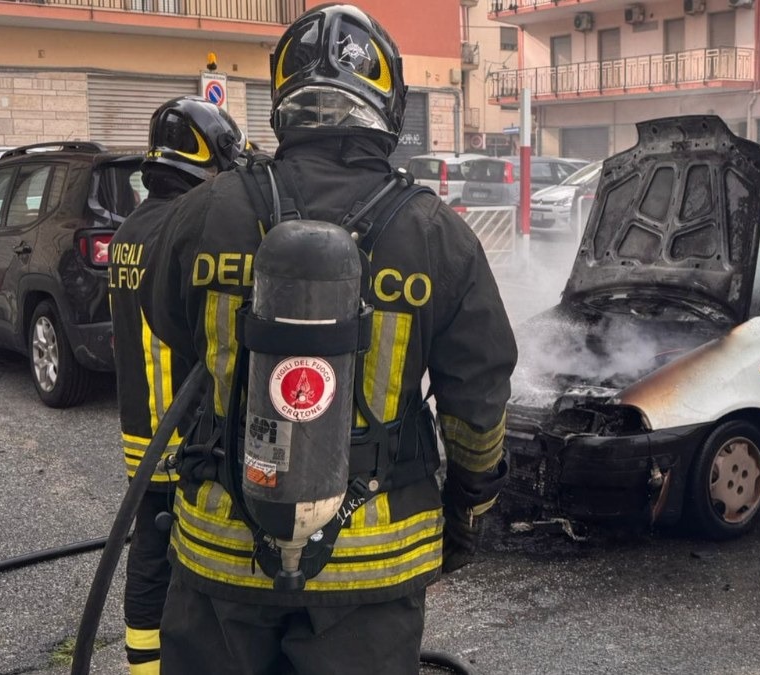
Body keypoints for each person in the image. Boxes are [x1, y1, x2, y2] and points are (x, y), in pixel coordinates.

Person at [139, 4, 517, 673]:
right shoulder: (436, 233)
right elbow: (477, 406)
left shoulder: (205, 209)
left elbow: (170, 322)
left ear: (284, 101)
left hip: (220, 558)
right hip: (371, 572)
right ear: (387, 103)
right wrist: (466, 510)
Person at [108, 96, 247, 675]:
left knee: (149, 548)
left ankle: (144, 666)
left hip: (140, 427)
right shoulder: (185, 228)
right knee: (192, 559)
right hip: (185, 429)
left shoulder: (131, 229)